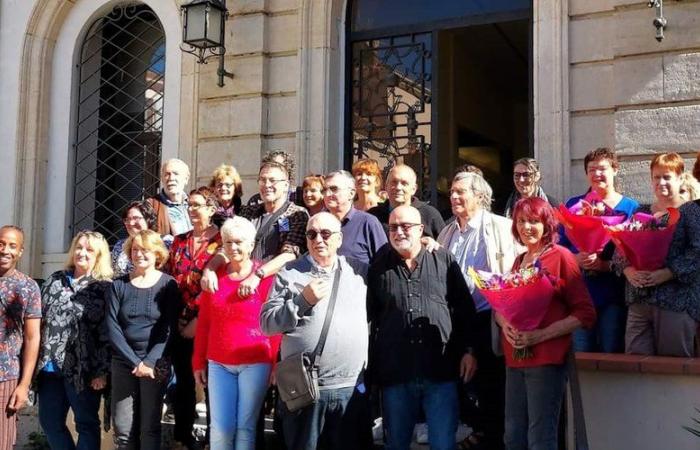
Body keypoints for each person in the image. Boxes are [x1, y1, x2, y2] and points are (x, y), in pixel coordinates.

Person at [368, 205, 477, 450]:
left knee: (443, 444)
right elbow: (369, 317)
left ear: (420, 229)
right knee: (396, 444)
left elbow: (464, 309)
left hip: (440, 371)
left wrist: (469, 351)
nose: (399, 232)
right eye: (393, 227)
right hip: (396, 375)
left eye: (405, 226)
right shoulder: (378, 265)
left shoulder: (443, 259)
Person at [260, 212, 370, 450]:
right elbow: (267, 324)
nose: (318, 239)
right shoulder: (289, 272)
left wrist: (426, 242)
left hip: (350, 388)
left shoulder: (359, 271)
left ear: (339, 239)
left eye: (326, 234)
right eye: (312, 234)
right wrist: (301, 302)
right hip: (307, 389)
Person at [498, 197, 596, 450]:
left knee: (540, 437)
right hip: (515, 359)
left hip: (546, 360)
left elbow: (585, 313)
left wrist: (539, 336)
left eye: (533, 221)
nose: (526, 227)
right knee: (513, 435)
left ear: (546, 225)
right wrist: (504, 323)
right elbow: (502, 306)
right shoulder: (519, 261)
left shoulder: (561, 257)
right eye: (521, 221)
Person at [437, 171, 521, 450]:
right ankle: (479, 430)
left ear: (480, 196)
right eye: (452, 193)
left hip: (490, 318)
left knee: (492, 384)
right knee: (459, 381)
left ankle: (493, 438)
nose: (454, 197)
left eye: (461, 192)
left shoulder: (501, 226)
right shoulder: (448, 231)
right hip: (456, 320)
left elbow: (517, 270)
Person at [193, 217, 280, 450]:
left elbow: (274, 324)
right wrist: (198, 362)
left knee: (245, 426)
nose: (234, 248)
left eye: (239, 242)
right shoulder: (214, 276)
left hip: (256, 362)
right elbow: (204, 323)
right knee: (221, 427)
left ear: (251, 244)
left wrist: (274, 364)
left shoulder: (264, 277)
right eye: (229, 242)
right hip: (219, 362)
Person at [612, 153, 695, 356]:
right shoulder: (641, 211)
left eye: (667, 177)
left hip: (676, 300)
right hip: (639, 300)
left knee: (674, 366)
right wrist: (629, 271)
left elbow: (696, 254)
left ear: (680, 178)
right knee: (635, 363)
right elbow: (619, 249)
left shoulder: (691, 212)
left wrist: (667, 273)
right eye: (656, 177)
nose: (661, 182)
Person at [37, 231, 113, 449]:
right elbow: (40, 318)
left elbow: (108, 332)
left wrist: (102, 371)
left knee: (86, 423)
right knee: (50, 422)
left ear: (99, 255)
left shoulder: (105, 288)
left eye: (89, 250)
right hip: (50, 367)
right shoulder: (55, 279)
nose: (82, 253)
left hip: (85, 368)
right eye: (79, 247)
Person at [561, 147, 639, 353]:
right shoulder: (573, 205)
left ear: (615, 170)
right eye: (591, 170)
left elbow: (636, 252)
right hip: (579, 295)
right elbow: (558, 246)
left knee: (611, 350)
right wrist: (575, 259)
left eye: (602, 169)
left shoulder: (631, 208)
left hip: (613, 294)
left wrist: (605, 265)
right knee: (581, 353)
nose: (597, 174)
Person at [107, 230, 179, 450]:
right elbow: (112, 326)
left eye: (145, 250)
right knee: (123, 427)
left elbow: (169, 327)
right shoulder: (118, 285)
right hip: (123, 362)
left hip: (154, 364)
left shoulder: (169, 285)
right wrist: (134, 362)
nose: (139, 254)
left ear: (157, 253)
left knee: (149, 427)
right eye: (135, 249)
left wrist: (149, 362)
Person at [167, 186, 223, 449]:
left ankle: (214, 439)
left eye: (197, 205)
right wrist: (177, 317)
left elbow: (221, 284)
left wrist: (196, 321)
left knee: (211, 384)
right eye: (189, 204)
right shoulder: (179, 240)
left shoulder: (222, 242)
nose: (191, 209)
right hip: (179, 322)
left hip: (209, 323)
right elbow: (170, 279)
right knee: (184, 383)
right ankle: (183, 437)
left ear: (211, 209)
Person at [201, 161, 308, 297]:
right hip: (241, 287)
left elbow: (291, 254)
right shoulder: (248, 212)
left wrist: (257, 275)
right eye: (262, 180)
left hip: (275, 291)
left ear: (286, 185)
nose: (267, 185)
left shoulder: (296, 214)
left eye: (272, 180)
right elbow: (227, 247)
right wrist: (210, 269)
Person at [0, 225, 41, 450]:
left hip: (5, 378)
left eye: (12, 246)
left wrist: (24, 385)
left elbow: (32, 338)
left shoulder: (27, 287)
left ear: (20, 252)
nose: (5, 250)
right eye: (1, 243)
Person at [323, 170, 387, 264]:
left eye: (334, 189)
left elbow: (384, 262)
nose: (327, 194)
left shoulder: (368, 223)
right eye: (324, 190)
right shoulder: (319, 223)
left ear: (351, 193)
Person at [368, 164, 445, 240]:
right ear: (386, 186)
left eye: (404, 183)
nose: (398, 187)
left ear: (414, 189)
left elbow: (444, 248)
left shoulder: (429, 214)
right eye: (394, 182)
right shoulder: (373, 216)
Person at [147, 158, 193, 242]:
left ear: (186, 179)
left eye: (176, 174)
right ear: (162, 178)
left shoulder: (195, 204)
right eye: (167, 174)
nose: (171, 178)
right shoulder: (150, 206)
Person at [112, 200, 158, 277]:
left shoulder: (164, 242)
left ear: (148, 219)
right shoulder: (119, 245)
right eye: (127, 219)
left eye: (136, 218)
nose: (131, 223)